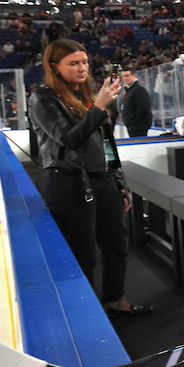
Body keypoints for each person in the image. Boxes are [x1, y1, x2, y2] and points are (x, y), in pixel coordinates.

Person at [28, 40, 151, 317]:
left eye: (84, 61)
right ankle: (82, 314)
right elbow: (69, 139)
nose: (82, 68)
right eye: (73, 63)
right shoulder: (43, 98)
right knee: (82, 253)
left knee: (117, 244)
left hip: (103, 177)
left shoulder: (87, 97)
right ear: (54, 67)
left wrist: (119, 182)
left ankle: (115, 300)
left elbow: (107, 144)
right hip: (68, 182)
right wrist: (99, 106)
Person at [118, 67, 152, 138]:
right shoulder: (130, 90)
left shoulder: (138, 89)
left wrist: (134, 123)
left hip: (138, 126)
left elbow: (143, 108)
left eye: (127, 76)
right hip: (133, 126)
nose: (125, 78)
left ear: (134, 75)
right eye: (123, 76)